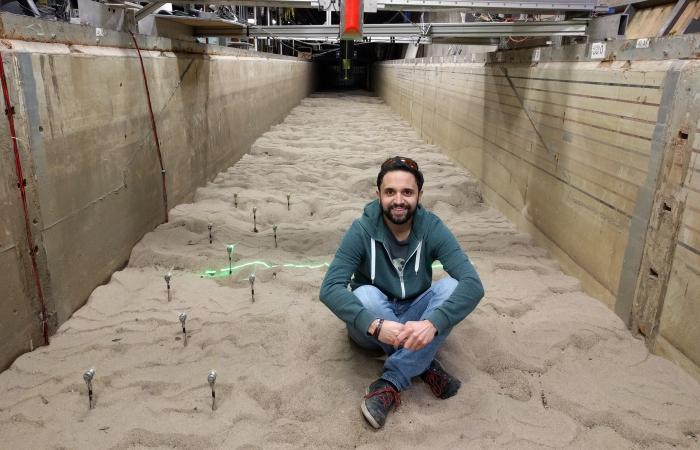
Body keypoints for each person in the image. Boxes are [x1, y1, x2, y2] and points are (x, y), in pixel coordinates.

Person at [319, 156, 484, 429]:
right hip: (373, 326)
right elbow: (329, 288)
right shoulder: (361, 230)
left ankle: (391, 381)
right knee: (365, 295)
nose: (399, 200)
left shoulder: (432, 227)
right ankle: (424, 361)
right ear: (378, 195)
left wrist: (433, 323)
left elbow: (472, 284)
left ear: (419, 195)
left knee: (451, 287)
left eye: (407, 192)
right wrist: (374, 324)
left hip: (415, 312)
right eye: (390, 192)